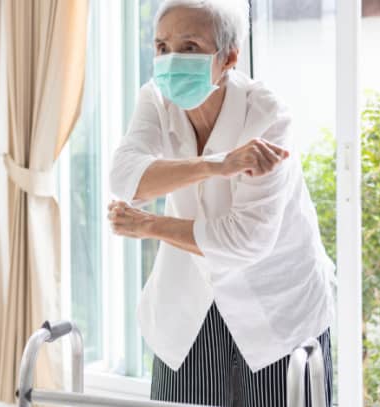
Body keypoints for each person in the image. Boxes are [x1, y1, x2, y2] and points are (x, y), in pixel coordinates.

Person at [107, 1, 334, 406]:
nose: (172, 59)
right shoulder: (156, 100)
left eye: (190, 47)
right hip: (187, 310)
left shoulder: (266, 114)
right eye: (162, 47)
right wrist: (218, 165)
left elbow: (246, 240)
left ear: (229, 57)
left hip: (277, 307)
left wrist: (149, 226)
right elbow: (125, 179)